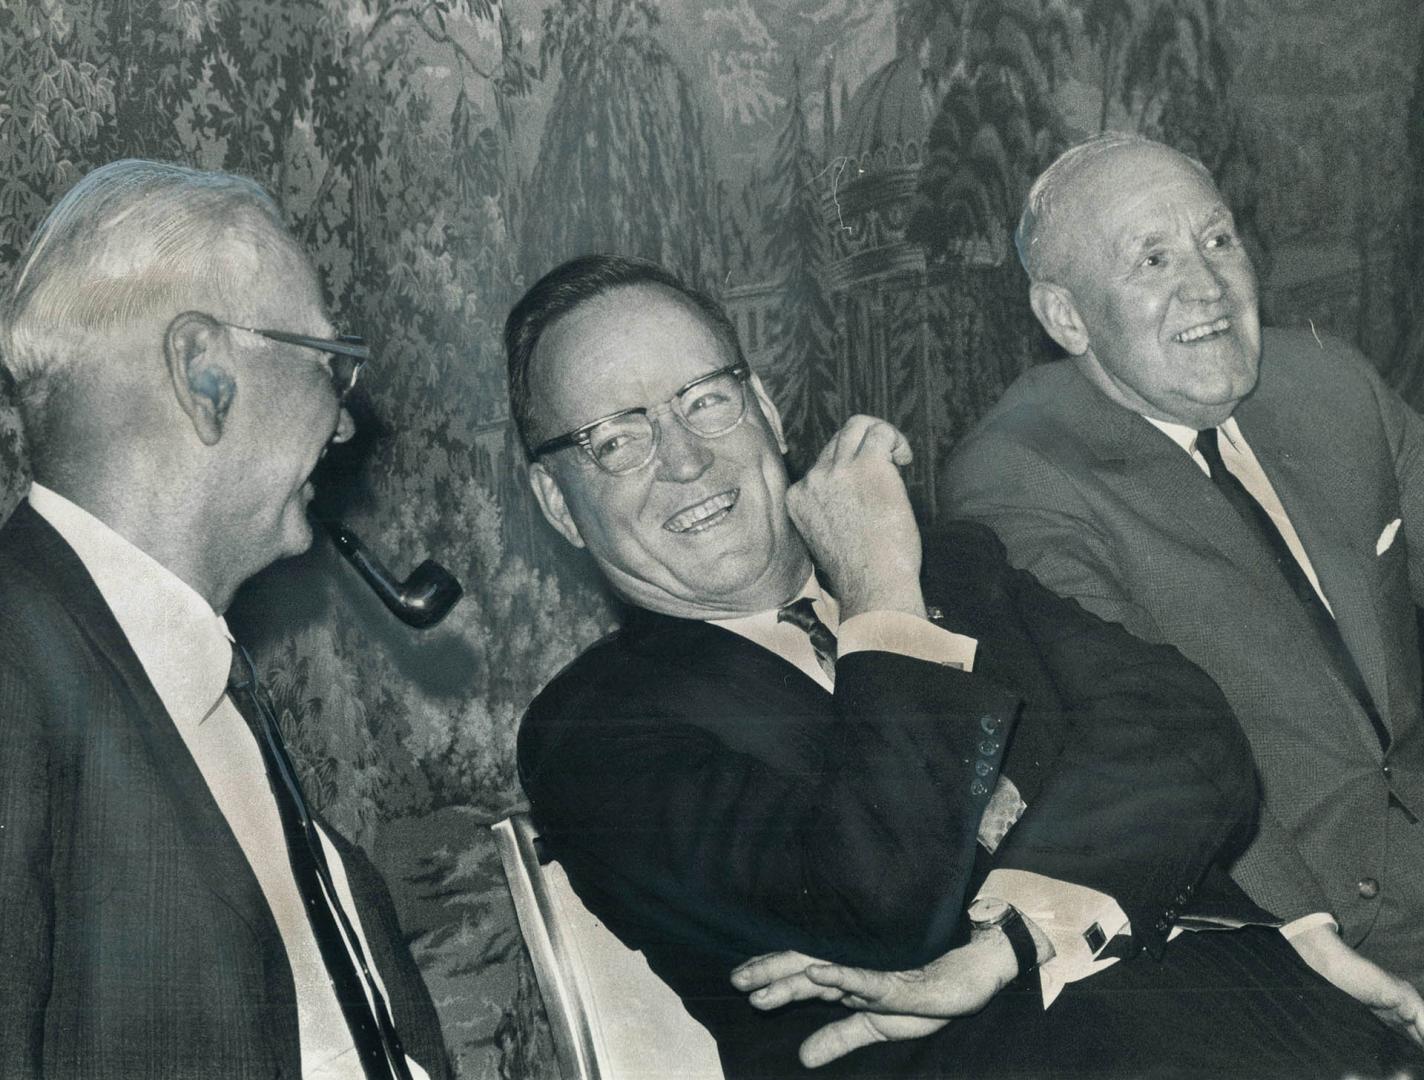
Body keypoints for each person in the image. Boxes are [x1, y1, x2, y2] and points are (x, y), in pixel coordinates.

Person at [508, 253, 1423, 1078]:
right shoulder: (591, 733)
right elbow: (874, 900)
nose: (685, 458)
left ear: (767, 412)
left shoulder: (959, 568)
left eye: (705, 399)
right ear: (557, 500)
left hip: (1289, 1029)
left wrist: (1003, 943)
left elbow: (1188, 735)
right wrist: (879, 599)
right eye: (617, 440)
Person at [941, 131, 1424, 1017]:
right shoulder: (1019, 477)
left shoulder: (1329, 384)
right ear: (1067, 318)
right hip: (1292, 929)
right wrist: (1309, 936)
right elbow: (1147, 733)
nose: (1206, 287)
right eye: (1153, 259)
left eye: (1217, 240)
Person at [0, 160, 450, 1080]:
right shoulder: (16, 664)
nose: (345, 426)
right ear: (204, 373)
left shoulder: (191, 677)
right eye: (330, 365)